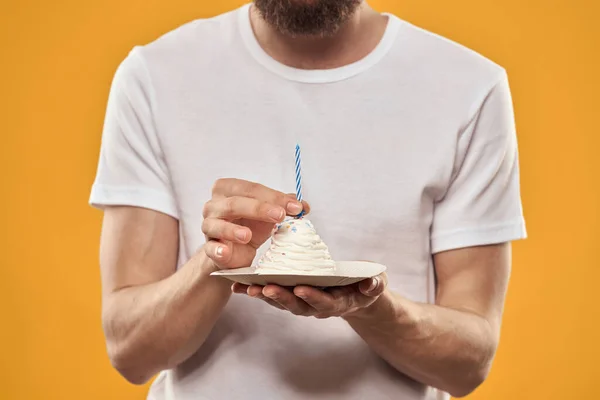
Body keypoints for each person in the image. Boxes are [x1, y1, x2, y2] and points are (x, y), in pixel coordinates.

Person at [89, 1, 527, 399]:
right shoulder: (155, 76)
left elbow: (468, 365)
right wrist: (215, 261)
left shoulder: (469, 88)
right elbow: (130, 353)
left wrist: (371, 306)